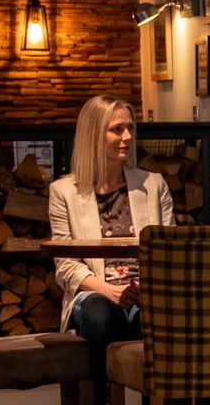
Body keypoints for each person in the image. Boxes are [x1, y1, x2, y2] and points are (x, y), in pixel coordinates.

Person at [47, 95, 174, 347]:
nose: (128, 136)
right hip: (95, 292)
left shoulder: (153, 185)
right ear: (93, 135)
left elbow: (169, 251)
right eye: (117, 129)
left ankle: (157, 386)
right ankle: (100, 387)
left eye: (130, 128)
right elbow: (65, 266)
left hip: (144, 292)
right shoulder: (63, 192)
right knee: (99, 313)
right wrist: (108, 290)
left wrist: (141, 289)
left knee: (163, 314)